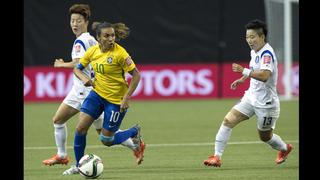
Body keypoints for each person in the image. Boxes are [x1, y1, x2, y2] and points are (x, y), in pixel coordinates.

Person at [42, 4, 138, 166]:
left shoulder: (84, 41)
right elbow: (81, 66)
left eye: (78, 21)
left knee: (106, 137)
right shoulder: (92, 43)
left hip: (92, 92)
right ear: (99, 38)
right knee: (68, 124)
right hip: (88, 91)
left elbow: (77, 63)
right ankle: (71, 160)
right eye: (72, 21)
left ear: (86, 21)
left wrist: (61, 65)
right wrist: (82, 75)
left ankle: (135, 137)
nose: (74, 24)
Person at [203, 19, 293, 167]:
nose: (249, 40)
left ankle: (284, 148)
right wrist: (242, 79)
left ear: (262, 37)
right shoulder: (254, 51)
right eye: (247, 37)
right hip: (251, 97)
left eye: (252, 37)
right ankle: (216, 157)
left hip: (267, 104)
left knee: (265, 137)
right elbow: (254, 69)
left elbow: (264, 75)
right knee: (227, 121)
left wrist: (243, 70)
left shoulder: (267, 54)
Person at [63, 21, 145, 175]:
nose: (111, 39)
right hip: (97, 95)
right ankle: (79, 165)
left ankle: (134, 131)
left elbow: (136, 75)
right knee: (80, 128)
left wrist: (127, 97)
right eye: (106, 36)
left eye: (112, 35)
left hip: (116, 100)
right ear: (99, 38)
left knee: (106, 140)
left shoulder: (120, 53)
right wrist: (84, 78)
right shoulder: (93, 51)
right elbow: (77, 69)